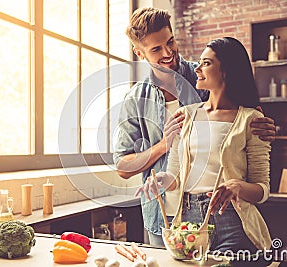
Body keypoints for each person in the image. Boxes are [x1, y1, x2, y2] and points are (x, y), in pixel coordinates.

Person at [113, 7, 275, 246]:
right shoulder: (135, 99)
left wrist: (266, 128)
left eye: (170, 42)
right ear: (140, 53)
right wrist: (163, 146)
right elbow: (123, 166)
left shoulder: (206, 76)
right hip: (163, 215)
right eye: (156, 49)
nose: (168, 53)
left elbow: (243, 122)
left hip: (220, 210)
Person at [139, 37, 271, 265]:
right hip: (187, 222)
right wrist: (160, 180)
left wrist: (237, 187)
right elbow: (174, 176)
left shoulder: (251, 119)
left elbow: (263, 189)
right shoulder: (185, 115)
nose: (197, 69)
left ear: (227, 71)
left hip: (231, 218)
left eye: (206, 63)